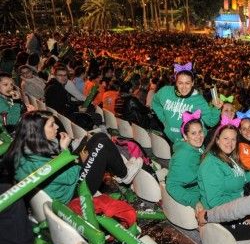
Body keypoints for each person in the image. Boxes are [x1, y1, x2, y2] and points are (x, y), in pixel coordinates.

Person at [4, 111, 143, 203]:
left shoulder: (27, 148)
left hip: (67, 182)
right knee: (101, 143)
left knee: (98, 137)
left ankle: (121, 172)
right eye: (52, 125)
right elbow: (71, 176)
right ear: (38, 131)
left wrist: (76, 158)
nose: (57, 127)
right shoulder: (35, 160)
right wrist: (64, 151)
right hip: (74, 193)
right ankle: (125, 175)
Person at [198, 115, 250, 240]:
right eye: (226, 138)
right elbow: (215, 202)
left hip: (238, 208)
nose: (230, 143)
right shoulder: (211, 164)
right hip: (221, 216)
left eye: (233, 139)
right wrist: (245, 213)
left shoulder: (231, 157)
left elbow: (248, 175)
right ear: (217, 140)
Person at [152, 62, 222, 143]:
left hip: (189, 143)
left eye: (187, 83)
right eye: (180, 83)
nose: (184, 87)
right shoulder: (165, 91)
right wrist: (163, 119)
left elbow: (211, 122)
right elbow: (155, 102)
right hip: (169, 139)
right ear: (176, 82)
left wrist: (216, 109)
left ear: (192, 83)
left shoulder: (198, 100)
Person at [166, 110, 204, 208]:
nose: (198, 136)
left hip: (200, 189)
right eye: (193, 133)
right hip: (194, 195)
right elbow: (171, 186)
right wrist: (195, 202)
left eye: (200, 132)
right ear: (185, 136)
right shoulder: (183, 156)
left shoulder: (197, 147)